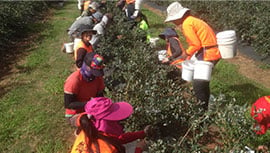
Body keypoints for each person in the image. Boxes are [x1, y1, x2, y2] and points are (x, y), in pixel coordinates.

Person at [165, 2, 221, 110]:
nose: (173, 22)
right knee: (202, 82)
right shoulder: (192, 20)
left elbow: (196, 44)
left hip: (208, 53)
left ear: (178, 17)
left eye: (173, 19)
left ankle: (201, 112)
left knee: (199, 85)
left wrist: (185, 55)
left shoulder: (187, 24)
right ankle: (205, 105)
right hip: (210, 51)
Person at [83, 97, 154, 153]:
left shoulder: (91, 131)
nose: (116, 122)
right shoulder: (107, 148)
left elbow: (119, 139)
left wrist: (142, 133)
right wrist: (139, 150)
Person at [64, 52, 105, 126]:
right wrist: (89, 104)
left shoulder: (97, 77)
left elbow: (100, 95)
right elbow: (68, 104)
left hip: (92, 109)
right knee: (87, 123)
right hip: (76, 113)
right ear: (86, 66)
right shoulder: (74, 80)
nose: (94, 75)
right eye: (93, 71)